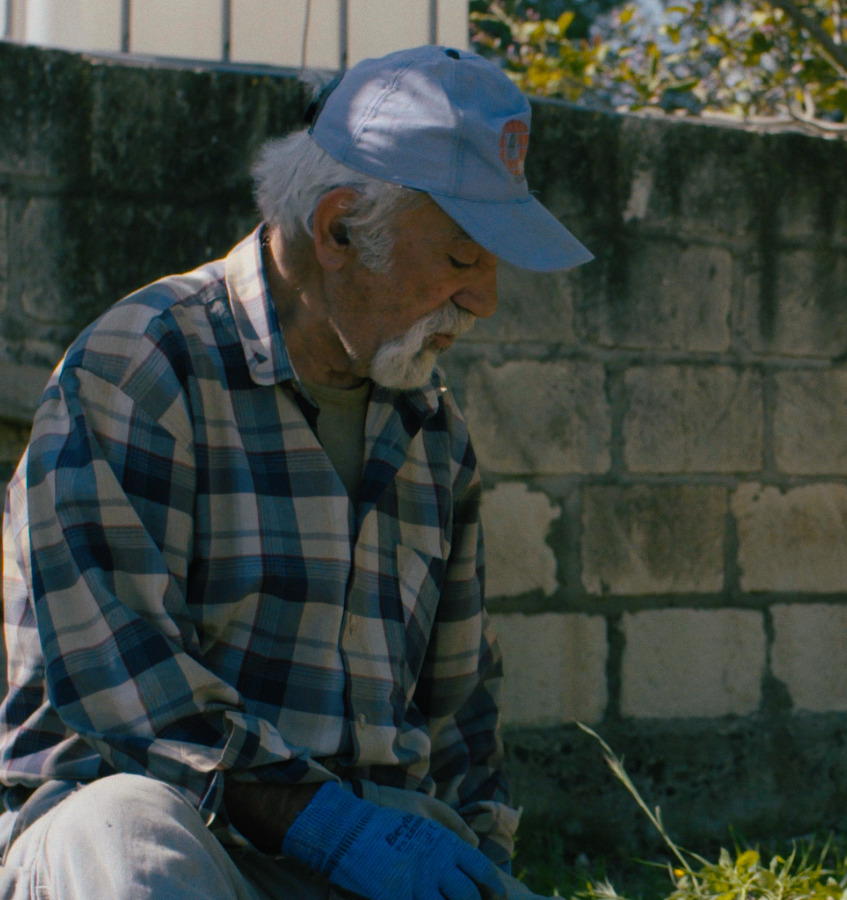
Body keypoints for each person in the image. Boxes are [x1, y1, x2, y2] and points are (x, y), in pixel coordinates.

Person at [0, 44, 591, 899]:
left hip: (372, 852)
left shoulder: (431, 429)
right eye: (465, 258)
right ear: (339, 228)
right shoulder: (142, 368)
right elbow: (126, 694)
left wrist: (481, 866)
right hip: (170, 834)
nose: (486, 299)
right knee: (126, 836)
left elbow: (460, 715)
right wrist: (329, 826)